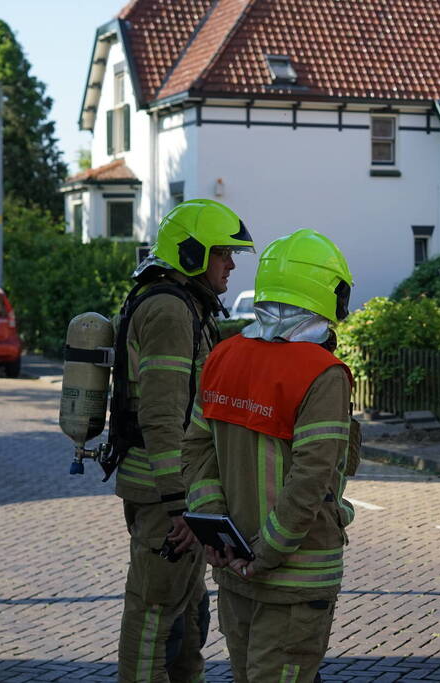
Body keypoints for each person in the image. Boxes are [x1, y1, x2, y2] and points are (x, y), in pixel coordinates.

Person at [181, 228, 357, 683]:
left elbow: (196, 452)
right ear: (327, 291)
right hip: (295, 576)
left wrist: (217, 532)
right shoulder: (322, 372)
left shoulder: (224, 356)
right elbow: (312, 478)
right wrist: (268, 552)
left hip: (233, 565)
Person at [115, 198, 255, 683]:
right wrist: (180, 507)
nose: (232, 264)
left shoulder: (183, 304)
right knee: (154, 616)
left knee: (186, 617)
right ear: (193, 254)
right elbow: (161, 414)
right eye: (223, 254)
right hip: (165, 497)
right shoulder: (171, 312)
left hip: (172, 492)